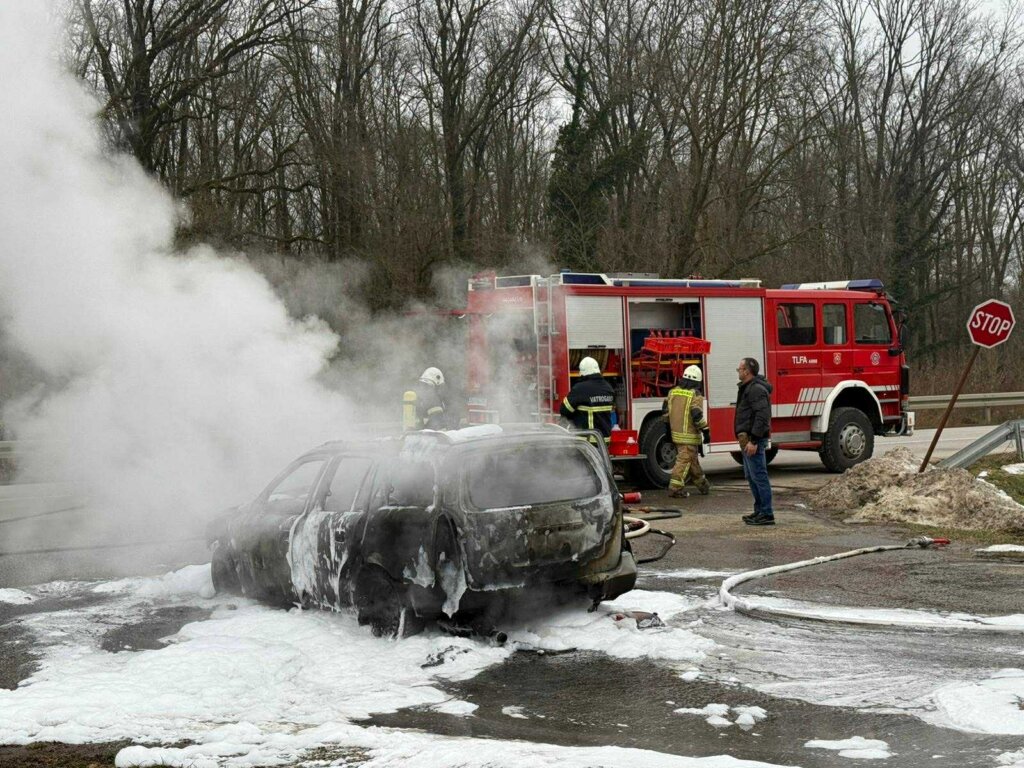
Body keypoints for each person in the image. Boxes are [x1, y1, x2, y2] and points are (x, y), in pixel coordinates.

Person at [734, 357, 774, 525]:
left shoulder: (755, 389)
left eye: (739, 368)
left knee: (759, 476)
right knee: (752, 476)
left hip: (753, 440)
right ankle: (759, 510)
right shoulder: (748, 388)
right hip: (748, 440)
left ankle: (766, 513)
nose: (738, 371)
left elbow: (762, 416)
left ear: (747, 371)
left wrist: (754, 440)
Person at [666, 365, 711, 498]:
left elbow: (665, 413)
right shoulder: (695, 395)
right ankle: (675, 488)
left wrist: (668, 432)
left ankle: (703, 485)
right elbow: (696, 414)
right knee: (684, 461)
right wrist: (706, 430)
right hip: (689, 436)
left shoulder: (672, 392)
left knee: (692, 461)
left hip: (676, 434)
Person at [559, 356, 615, 441]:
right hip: (604, 441)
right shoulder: (608, 388)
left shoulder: (580, 388)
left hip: (587, 442)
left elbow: (564, 410)